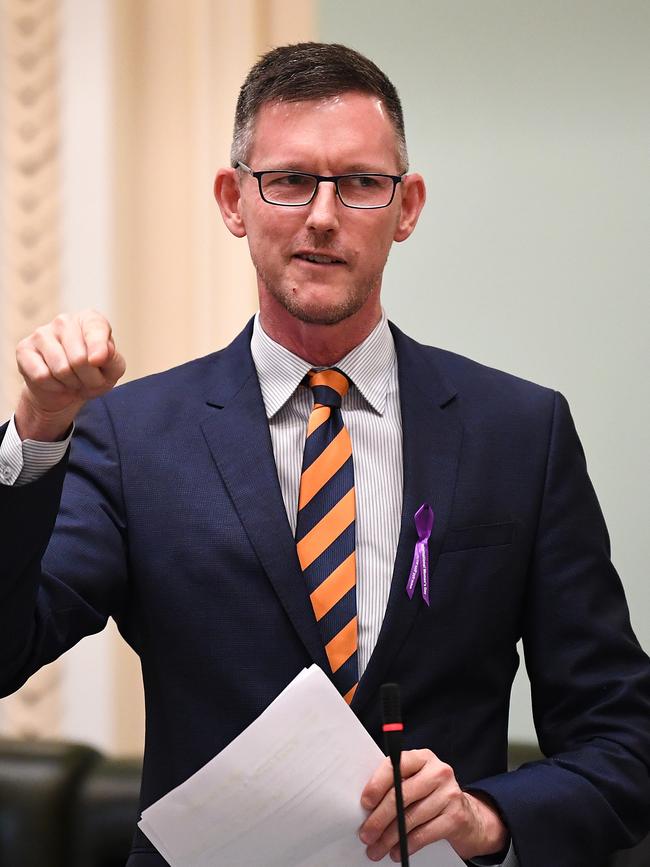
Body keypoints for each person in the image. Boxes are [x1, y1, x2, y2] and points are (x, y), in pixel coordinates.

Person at [1, 42, 648, 867]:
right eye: (290, 180)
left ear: (406, 206)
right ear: (234, 200)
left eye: (360, 184)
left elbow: (622, 744)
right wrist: (37, 432)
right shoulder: (131, 436)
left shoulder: (520, 432)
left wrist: (487, 815)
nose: (322, 215)